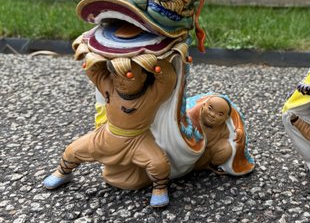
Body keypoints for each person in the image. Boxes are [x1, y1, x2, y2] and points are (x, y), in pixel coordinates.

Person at [43, 54, 176, 208]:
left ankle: (159, 188)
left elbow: (167, 79)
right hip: (106, 135)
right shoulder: (108, 86)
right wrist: (97, 52)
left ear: (143, 76)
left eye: (128, 76)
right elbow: (94, 69)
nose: (119, 81)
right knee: (73, 150)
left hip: (137, 139)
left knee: (159, 163)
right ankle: (63, 172)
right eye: (115, 75)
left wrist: (153, 56)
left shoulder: (153, 94)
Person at [194, 96, 244, 173]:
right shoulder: (192, 116)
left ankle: (210, 165)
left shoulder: (224, 128)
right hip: (190, 150)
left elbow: (235, 116)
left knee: (226, 148)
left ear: (226, 118)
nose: (212, 115)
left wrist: (239, 131)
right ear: (203, 106)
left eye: (220, 114)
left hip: (206, 153)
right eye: (210, 109)